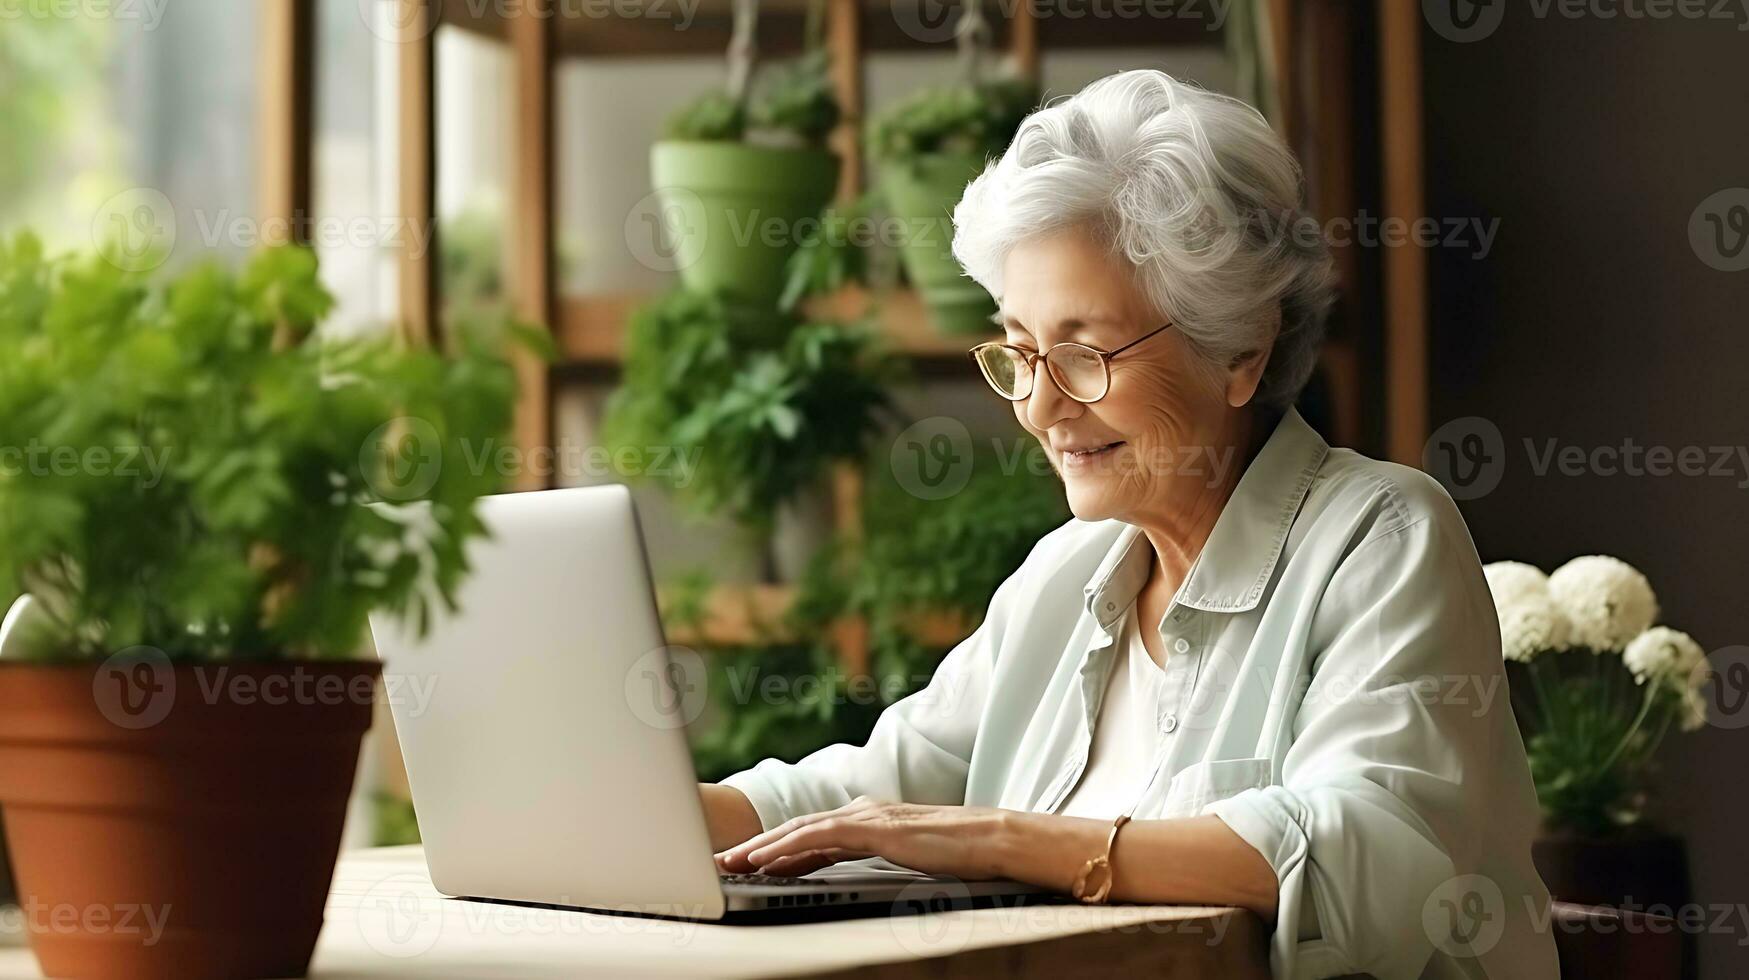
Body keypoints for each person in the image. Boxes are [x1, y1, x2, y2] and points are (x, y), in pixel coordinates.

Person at [700, 69, 1558, 980]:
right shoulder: (1062, 577)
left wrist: (1000, 838)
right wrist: (628, 816)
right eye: (1020, 352)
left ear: (1239, 350)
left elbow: (1372, 857)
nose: (1039, 406)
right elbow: (867, 791)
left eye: (1083, 352)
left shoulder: (1381, 536)